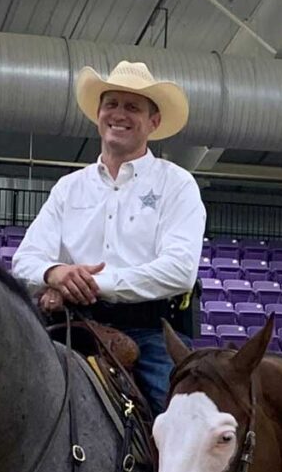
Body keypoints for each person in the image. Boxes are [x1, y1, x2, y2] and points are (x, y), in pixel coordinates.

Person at [11, 60, 204, 414]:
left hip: (151, 332)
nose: (119, 114)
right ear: (99, 114)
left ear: (153, 122)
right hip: (71, 325)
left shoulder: (177, 184)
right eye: (111, 104)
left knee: (176, 427)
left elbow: (179, 270)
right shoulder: (69, 188)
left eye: (133, 107)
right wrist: (55, 274)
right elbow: (25, 259)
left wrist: (95, 283)